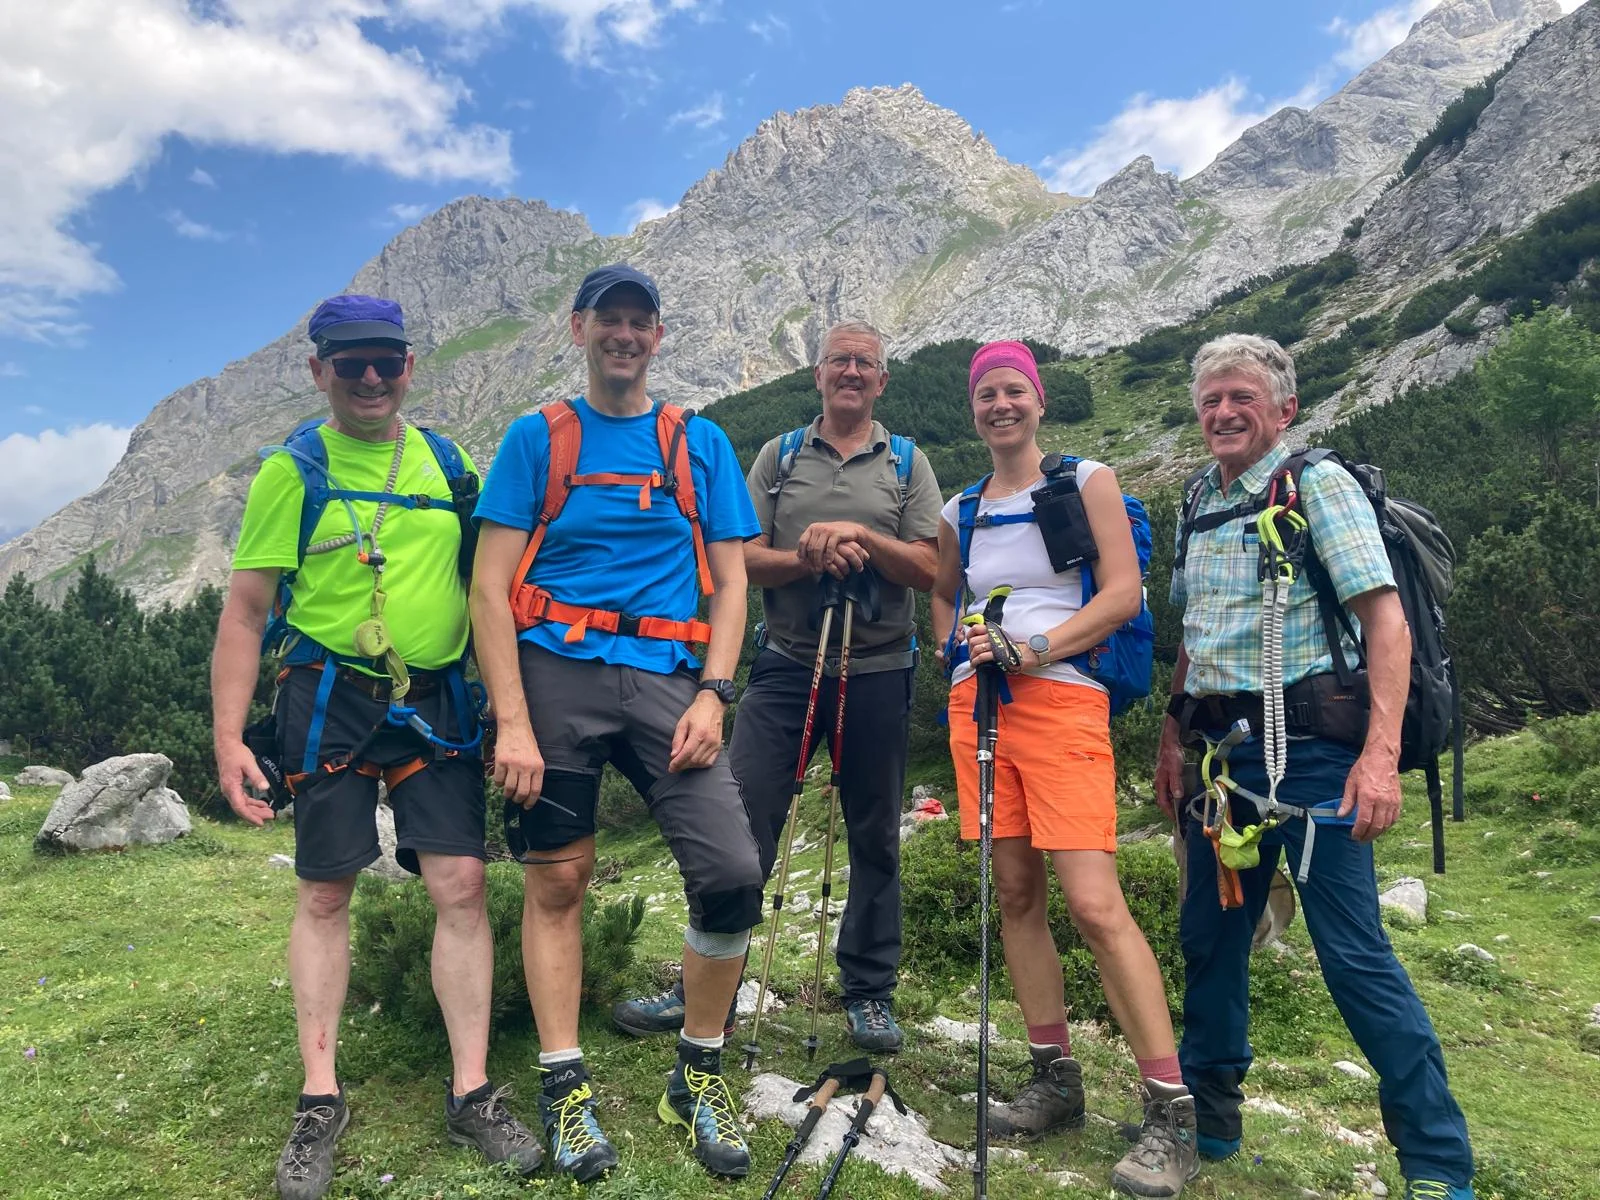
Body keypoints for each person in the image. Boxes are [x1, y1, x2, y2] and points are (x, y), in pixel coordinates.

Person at [211, 296, 541, 1200]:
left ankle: (471, 1089)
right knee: (325, 891)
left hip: (433, 697)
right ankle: (320, 1098)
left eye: (385, 362)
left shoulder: (448, 463)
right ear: (318, 371)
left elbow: (494, 581)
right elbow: (245, 611)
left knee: (462, 885)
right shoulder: (293, 471)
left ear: (408, 368)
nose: (369, 379)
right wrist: (228, 735)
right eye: (349, 363)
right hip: (325, 699)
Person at [1153, 333, 1475, 1200]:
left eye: (1243, 398)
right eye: (1212, 398)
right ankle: (1211, 1123)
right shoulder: (1196, 499)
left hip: (1315, 757)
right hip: (1222, 764)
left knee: (1353, 954)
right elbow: (1196, 638)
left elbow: (1386, 622)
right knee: (1210, 942)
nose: (1223, 412)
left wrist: (1379, 759)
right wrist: (1172, 742)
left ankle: (1438, 1163)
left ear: (1285, 410)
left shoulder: (1317, 485)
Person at [470, 264, 762, 1181]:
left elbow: (733, 579)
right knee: (559, 879)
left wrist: (716, 692)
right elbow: (487, 585)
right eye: (609, 319)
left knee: (731, 873)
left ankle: (697, 1073)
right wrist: (510, 723)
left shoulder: (698, 442)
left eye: (640, 321)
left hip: (671, 678)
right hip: (556, 674)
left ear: (658, 336)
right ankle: (566, 1089)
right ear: (580, 328)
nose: (624, 335)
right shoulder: (537, 438)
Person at [613, 320, 942, 1052]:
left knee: (875, 833)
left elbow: (929, 568)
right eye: (838, 362)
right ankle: (708, 991)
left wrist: (860, 542)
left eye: (865, 363)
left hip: (881, 668)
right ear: (818, 375)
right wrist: (808, 555)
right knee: (742, 819)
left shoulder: (908, 463)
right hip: (788, 664)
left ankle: (869, 993)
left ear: (882, 380)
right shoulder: (780, 455)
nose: (851, 372)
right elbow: (739, 559)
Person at [932, 341, 1199, 1199]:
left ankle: (1168, 1107)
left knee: (1091, 898)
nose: (1000, 405)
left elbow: (1122, 592)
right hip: (980, 706)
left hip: (1064, 700)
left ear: (1039, 401)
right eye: (986, 395)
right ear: (973, 409)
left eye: (1014, 390)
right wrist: (953, 649)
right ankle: (1056, 1076)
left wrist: (1035, 646)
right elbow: (945, 592)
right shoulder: (958, 507)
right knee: (1015, 893)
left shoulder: (1087, 480)